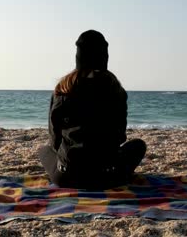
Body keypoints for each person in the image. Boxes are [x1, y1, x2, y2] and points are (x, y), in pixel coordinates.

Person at [39, 30, 147, 189]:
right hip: (108, 177)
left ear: (78, 57)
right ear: (105, 57)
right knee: (139, 145)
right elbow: (120, 136)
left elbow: (55, 140)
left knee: (44, 150)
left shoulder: (62, 90)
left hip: (66, 176)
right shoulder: (115, 90)